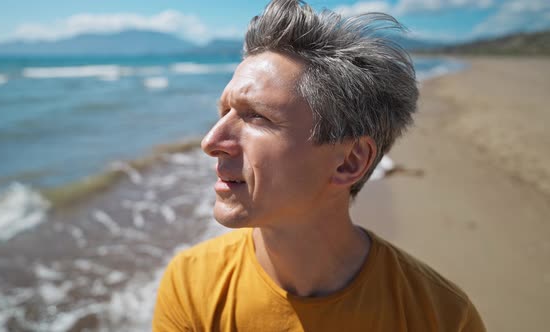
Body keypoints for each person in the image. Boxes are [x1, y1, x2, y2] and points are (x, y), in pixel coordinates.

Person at [153, 0, 486, 330]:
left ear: (350, 162)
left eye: (256, 116)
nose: (210, 142)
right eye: (224, 112)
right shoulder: (191, 283)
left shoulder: (442, 316)